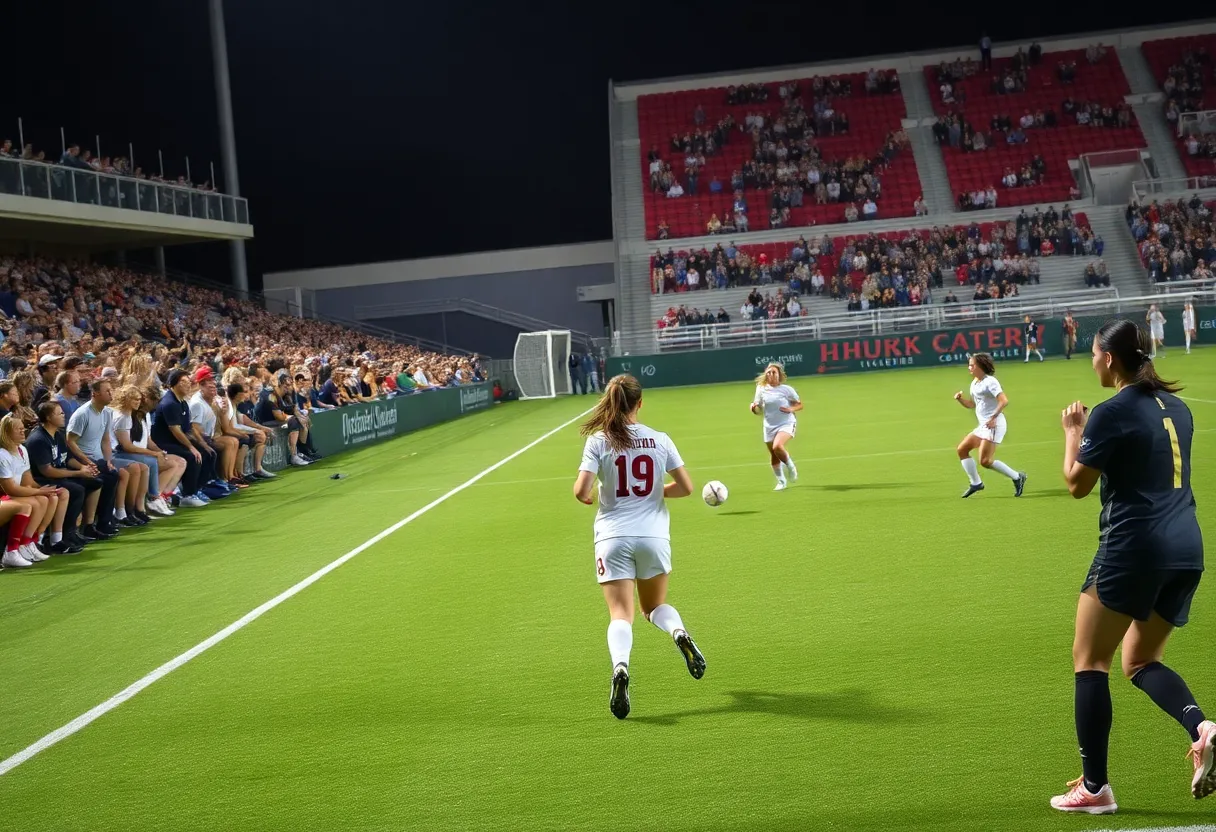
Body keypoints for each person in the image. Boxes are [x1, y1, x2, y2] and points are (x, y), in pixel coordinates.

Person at [1052, 319, 1213, 813]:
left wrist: (1073, 433)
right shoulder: (1179, 408)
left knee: (1091, 661)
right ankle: (1203, 728)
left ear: (1110, 359)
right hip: (1187, 547)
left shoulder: (1110, 411)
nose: (1093, 360)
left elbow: (1076, 484)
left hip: (1134, 548)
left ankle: (1095, 789)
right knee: (1140, 661)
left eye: (1095, 354)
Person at [573, 374, 706, 720]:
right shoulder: (660, 439)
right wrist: (652, 492)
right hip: (653, 537)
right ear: (639, 403)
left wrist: (589, 496)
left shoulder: (598, 441)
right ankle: (679, 632)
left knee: (621, 614)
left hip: (613, 537)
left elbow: (581, 490)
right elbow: (686, 487)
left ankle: (620, 667)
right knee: (654, 607)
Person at [953, 353, 1028, 498]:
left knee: (985, 461)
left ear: (980, 366)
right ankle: (976, 483)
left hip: (994, 425)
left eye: (972, 365)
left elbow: (1004, 400)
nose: (969, 367)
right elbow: (973, 405)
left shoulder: (990, 382)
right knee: (962, 449)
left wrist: (993, 417)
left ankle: (1018, 477)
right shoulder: (975, 382)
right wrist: (960, 399)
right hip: (984, 425)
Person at [0, 413, 67, 563]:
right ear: (7, 433)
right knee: (36, 502)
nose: (23, 432)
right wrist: (39, 491)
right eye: (18, 429)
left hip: (15, 493)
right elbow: (9, 489)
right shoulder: (2, 454)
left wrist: (46, 489)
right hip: (5, 496)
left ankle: (30, 541)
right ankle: (12, 550)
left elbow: (27, 479)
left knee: (50, 497)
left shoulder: (22, 450)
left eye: (23, 428)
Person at [750, 362, 801, 491]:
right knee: (774, 454)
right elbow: (759, 408)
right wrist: (754, 408)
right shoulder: (761, 388)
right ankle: (781, 481)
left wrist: (790, 408)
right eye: (768, 372)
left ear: (779, 375)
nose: (771, 374)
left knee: (777, 446)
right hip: (769, 425)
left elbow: (799, 405)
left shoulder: (787, 389)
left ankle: (790, 466)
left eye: (774, 372)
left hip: (786, 423)